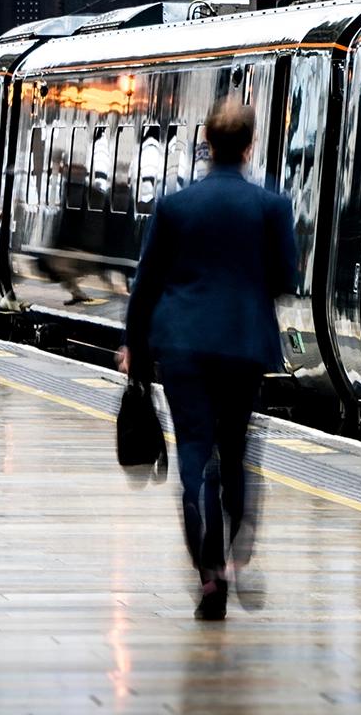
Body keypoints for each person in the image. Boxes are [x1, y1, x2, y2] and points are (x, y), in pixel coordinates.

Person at [119, 99, 297, 621]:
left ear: (206, 144)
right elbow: (286, 280)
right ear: (249, 147)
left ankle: (210, 577)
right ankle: (238, 541)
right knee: (235, 449)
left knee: (195, 453)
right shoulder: (271, 207)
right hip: (243, 345)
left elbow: (146, 283)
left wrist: (134, 345)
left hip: (184, 347)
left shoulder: (175, 206)